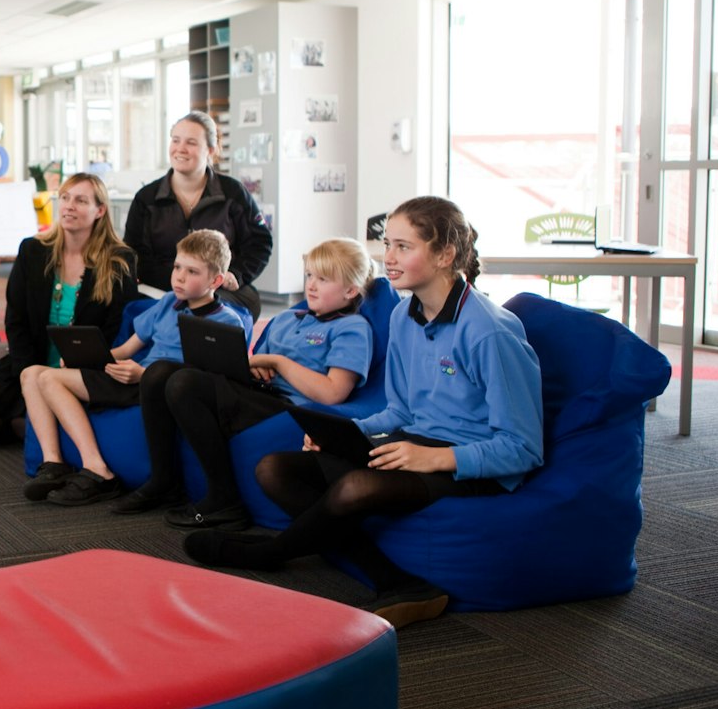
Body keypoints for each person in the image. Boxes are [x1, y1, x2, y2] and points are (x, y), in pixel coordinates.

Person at [184, 197, 544, 630]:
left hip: (468, 463)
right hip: (417, 445)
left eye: (403, 247)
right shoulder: (403, 316)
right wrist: (347, 432)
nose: (388, 259)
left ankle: (271, 553)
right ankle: (400, 582)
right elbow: (400, 410)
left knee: (355, 486)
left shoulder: (489, 331)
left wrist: (435, 458)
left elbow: (523, 449)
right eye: (387, 244)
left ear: (445, 255)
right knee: (274, 469)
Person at [110, 237, 375, 530]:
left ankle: (225, 500)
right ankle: (162, 481)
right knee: (159, 372)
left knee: (183, 382)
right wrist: (257, 366)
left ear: (350, 290)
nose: (311, 285)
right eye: (310, 275)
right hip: (255, 392)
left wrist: (277, 363)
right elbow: (255, 363)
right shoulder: (288, 318)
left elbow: (333, 392)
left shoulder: (351, 328)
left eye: (323, 279)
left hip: (289, 408)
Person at [23, 229, 245, 507]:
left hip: (154, 385)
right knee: (31, 373)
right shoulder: (168, 303)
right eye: (177, 267)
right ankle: (52, 463)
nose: (179, 276)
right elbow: (127, 349)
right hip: (134, 375)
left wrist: (144, 374)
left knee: (48, 380)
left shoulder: (227, 321)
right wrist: (89, 357)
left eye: (192, 271)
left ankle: (97, 469)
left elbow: (208, 376)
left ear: (216, 280)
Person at [0, 173, 137, 446]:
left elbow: (117, 327)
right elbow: (16, 320)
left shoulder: (119, 261)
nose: (68, 206)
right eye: (65, 198)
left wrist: (81, 369)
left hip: (81, 370)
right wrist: (27, 373)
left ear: (100, 211)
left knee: (25, 426)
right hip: (30, 361)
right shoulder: (33, 250)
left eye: (81, 200)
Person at [124, 112, 273, 320]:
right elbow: (133, 253)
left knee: (219, 307)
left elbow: (260, 243)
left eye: (191, 142)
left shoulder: (233, 193)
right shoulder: (147, 198)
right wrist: (180, 281)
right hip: (161, 289)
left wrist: (236, 274)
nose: (180, 148)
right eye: (175, 140)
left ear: (210, 150)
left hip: (217, 289)